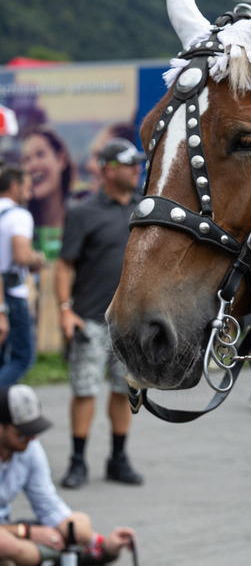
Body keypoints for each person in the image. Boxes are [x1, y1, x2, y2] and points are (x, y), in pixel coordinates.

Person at [55, 138, 144, 490]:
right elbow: (64, 266)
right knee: (84, 390)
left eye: (138, 163)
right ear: (107, 170)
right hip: (91, 319)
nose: (136, 169)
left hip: (132, 323)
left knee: (125, 392)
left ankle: (118, 460)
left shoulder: (146, 209)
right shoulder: (83, 212)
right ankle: (77, 462)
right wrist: (65, 310)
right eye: (127, 164)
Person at [0, 384, 135, 564]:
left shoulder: (30, 449)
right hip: (7, 536)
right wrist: (26, 532)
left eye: (34, 430)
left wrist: (98, 541)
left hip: (7, 526)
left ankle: (88, 551)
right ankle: (66, 556)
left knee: (78, 522)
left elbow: (49, 506)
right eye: (23, 433)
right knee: (6, 544)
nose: (31, 438)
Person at [0, 167, 45, 387]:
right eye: (26, 189)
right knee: (22, 358)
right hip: (11, 295)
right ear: (14, 186)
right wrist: (37, 258)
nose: (29, 195)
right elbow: (20, 255)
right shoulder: (19, 215)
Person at [19, 127, 73, 263]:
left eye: (40, 154)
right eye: (27, 159)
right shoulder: (18, 223)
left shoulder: (81, 217)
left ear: (61, 159)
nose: (32, 165)